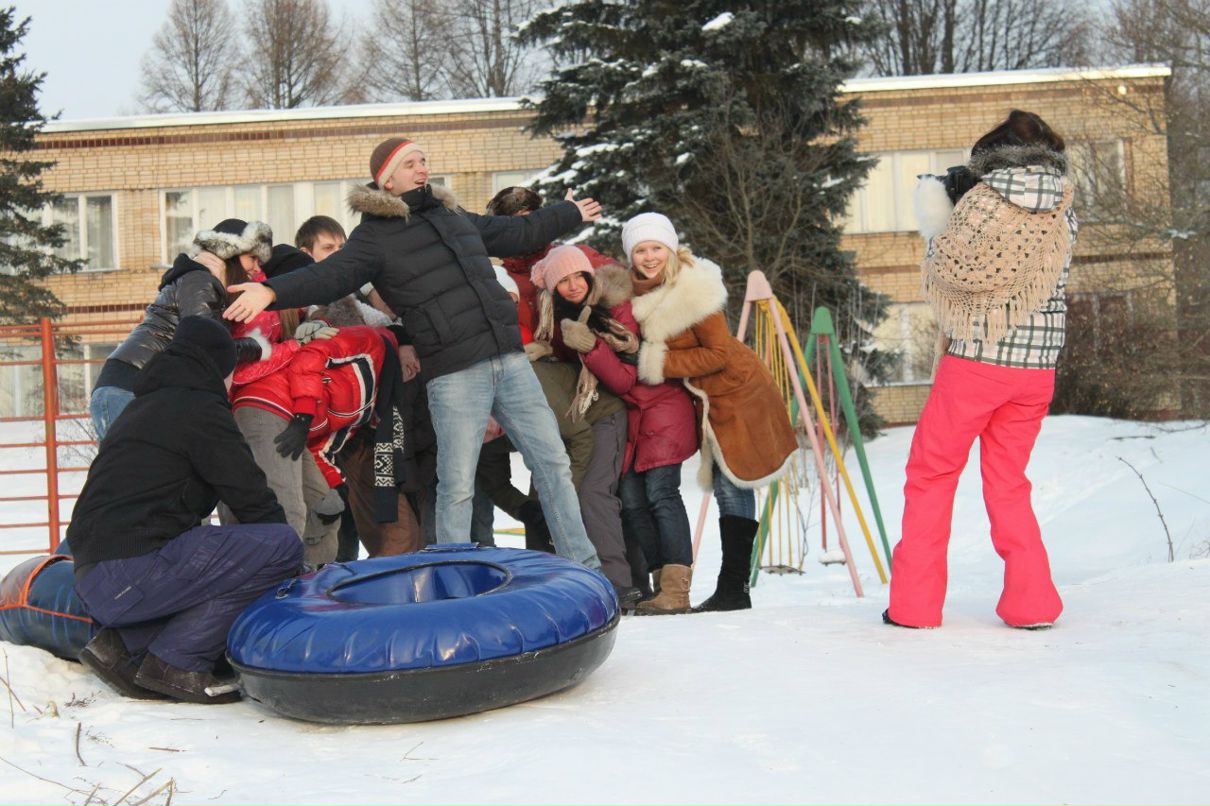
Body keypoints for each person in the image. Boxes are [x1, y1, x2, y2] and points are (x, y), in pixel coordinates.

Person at [223, 137, 603, 572]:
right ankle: (456, 575)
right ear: (386, 178)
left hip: (509, 359)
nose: (422, 169)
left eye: (423, 160)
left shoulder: (451, 214)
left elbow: (516, 233)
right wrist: (271, 290)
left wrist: (567, 213)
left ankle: (585, 565)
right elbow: (328, 276)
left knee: (552, 463)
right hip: (455, 370)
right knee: (457, 482)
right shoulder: (373, 239)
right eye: (410, 163)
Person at [885, 110, 1077, 630]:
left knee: (931, 475)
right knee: (1009, 482)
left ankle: (914, 606)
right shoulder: (1064, 205)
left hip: (977, 361)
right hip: (1037, 369)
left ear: (993, 153)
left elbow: (955, 268)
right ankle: (1032, 603)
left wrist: (941, 214)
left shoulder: (984, 203)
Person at [69, 316, 301, 704]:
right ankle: (177, 662)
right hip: (131, 574)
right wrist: (289, 564)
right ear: (217, 368)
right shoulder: (201, 408)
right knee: (280, 545)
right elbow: (251, 496)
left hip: (93, 578)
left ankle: (122, 647)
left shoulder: (142, 406)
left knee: (206, 555)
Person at [624, 213, 798, 612]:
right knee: (725, 484)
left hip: (736, 390)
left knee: (731, 483)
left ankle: (733, 587)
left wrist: (654, 361)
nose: (649, 257)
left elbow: (719, 353)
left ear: (670, 249)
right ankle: (732, 588)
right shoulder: (636, 293)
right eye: (640, 250)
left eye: (656, 248)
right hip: (705, 395)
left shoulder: (693, 288)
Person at [535, 245, 694, 612]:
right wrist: (551, 352)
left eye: (580, 276)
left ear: (592, 276)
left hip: (654, 405)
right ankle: (649, 588)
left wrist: (591, 348)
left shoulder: (615, 307)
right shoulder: (557, 312)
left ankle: (659, 590)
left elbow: (623, 379)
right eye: (563, 281)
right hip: (630, 412)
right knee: (633, 500)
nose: (573, 285)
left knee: (658, 495)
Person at [89, 218, 272, 440]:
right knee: (137, 471)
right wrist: (256, 346)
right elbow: (205, 347)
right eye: (252, 257)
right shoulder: (200, 279)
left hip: (138, 387)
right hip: (130, 387)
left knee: (145, 471)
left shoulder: (205, 282)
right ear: (231, 252)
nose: (256, 267)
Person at [487, 186, 618, 337]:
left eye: (529, 222)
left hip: (586, 357)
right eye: (516, 225)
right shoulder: (497, 282)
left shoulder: (575, 259)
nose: (524, 232)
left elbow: (630, 283)